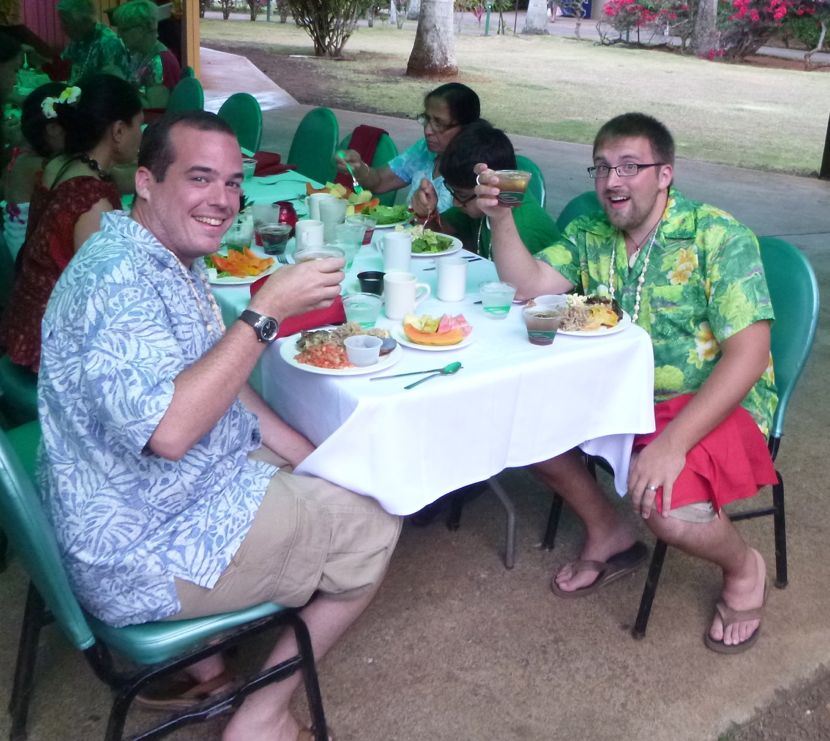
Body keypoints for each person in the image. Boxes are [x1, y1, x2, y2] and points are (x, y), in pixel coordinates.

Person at [38, 110, 401, 740]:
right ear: (146, 181)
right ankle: (260, 719)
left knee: (344, 477)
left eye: (233, 182)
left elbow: (222, 390)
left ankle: (209, 665)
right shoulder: (118, 281)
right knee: (375, 522)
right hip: (138, 548)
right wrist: (264, 310)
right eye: (200, 178)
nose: (223, 200)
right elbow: (171, 432)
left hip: (143, 497)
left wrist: (311, 458)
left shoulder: (154, 252)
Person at [477, 112, 778, 654]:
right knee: (520, 424)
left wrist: (672, 444)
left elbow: (750, 356)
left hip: (709, 402)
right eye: (602, 168)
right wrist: (501, 220)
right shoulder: (591, 230)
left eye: (630, 167)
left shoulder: (717, 236)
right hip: (615, 387)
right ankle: (608, 532)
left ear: (665, 174)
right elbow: (529, 288)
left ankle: (743, 568)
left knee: (670, 512)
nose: (612, 181)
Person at [0, 74, 143, 371]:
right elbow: (106, 296)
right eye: (137, 126)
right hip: (49, 348)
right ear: (118, 131)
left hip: (23, 327)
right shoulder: (91, 200)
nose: (141, 135)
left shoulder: (59, 164)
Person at [336, 82, 481, 217]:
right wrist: (359, 167)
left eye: (439, 123)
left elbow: (465, 233)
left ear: (465, 128)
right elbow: (380, 182)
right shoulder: (425, 150)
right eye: (426, 119)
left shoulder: (476, 168)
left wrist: (428, 216)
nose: (428, 131)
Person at [424, 120, 561, 259]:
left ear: (491, 187)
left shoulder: (524, 230)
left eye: (461, 195)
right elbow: (436, 233)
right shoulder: (476, 205)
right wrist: (425, 213)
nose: (456, 203)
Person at [2, 82, 66, 259]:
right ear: (53, 129)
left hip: (17, 245)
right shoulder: (40, 166)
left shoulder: (24, 153)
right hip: (24, 255)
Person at [112, 0, 181, 110]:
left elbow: (155, 110)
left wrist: (123, 87)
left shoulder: (159, 62)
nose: (119, 35)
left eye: (123, 30)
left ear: (142, 29)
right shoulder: (141, 53)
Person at [58, 0, 129, 83]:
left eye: (66, 22)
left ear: (85, 21)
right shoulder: (78, 40)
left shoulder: (110, 44)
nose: (62, 27)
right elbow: (61, 68)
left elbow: (113, 86)